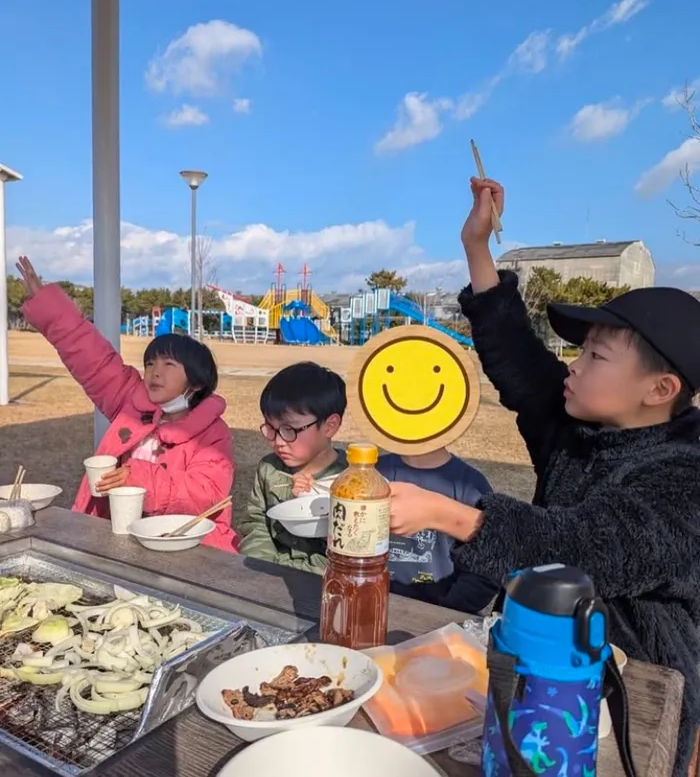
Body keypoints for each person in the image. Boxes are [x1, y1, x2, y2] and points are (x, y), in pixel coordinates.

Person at [387, 178, 700, 776]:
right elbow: (516, 357)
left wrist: (446, 513)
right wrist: (477, 246)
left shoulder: (685, 472)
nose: (572, 366)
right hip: (536, 666)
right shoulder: (581, 432)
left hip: (636, 700)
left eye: (595, 357)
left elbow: (587, 550)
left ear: (660, 390)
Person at [17, 257, 236, 552]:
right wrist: (49, 306)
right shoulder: (132, 400)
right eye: (149, 363)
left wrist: (139, 479)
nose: (155, 372)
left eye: (169, 364)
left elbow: (207, 493)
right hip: (116, 537)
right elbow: (90, 357)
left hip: (183, 547)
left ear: (196, 383)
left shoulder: (213, 432)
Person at [237, 362, 347, 571]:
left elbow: (349, 546)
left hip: (324, 580)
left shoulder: (350, 480)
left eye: (289, 429)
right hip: (269, 575)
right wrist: (265, 568)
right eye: (270, 428)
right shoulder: (270, 469)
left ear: (329, 426)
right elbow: (255, 523)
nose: (278, 441)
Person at [376, 449, 498, 614]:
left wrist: (446, 610)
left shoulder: (469, 484)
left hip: (435, 615)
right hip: (372, 603)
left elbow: (487, 567)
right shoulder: (374, 473)